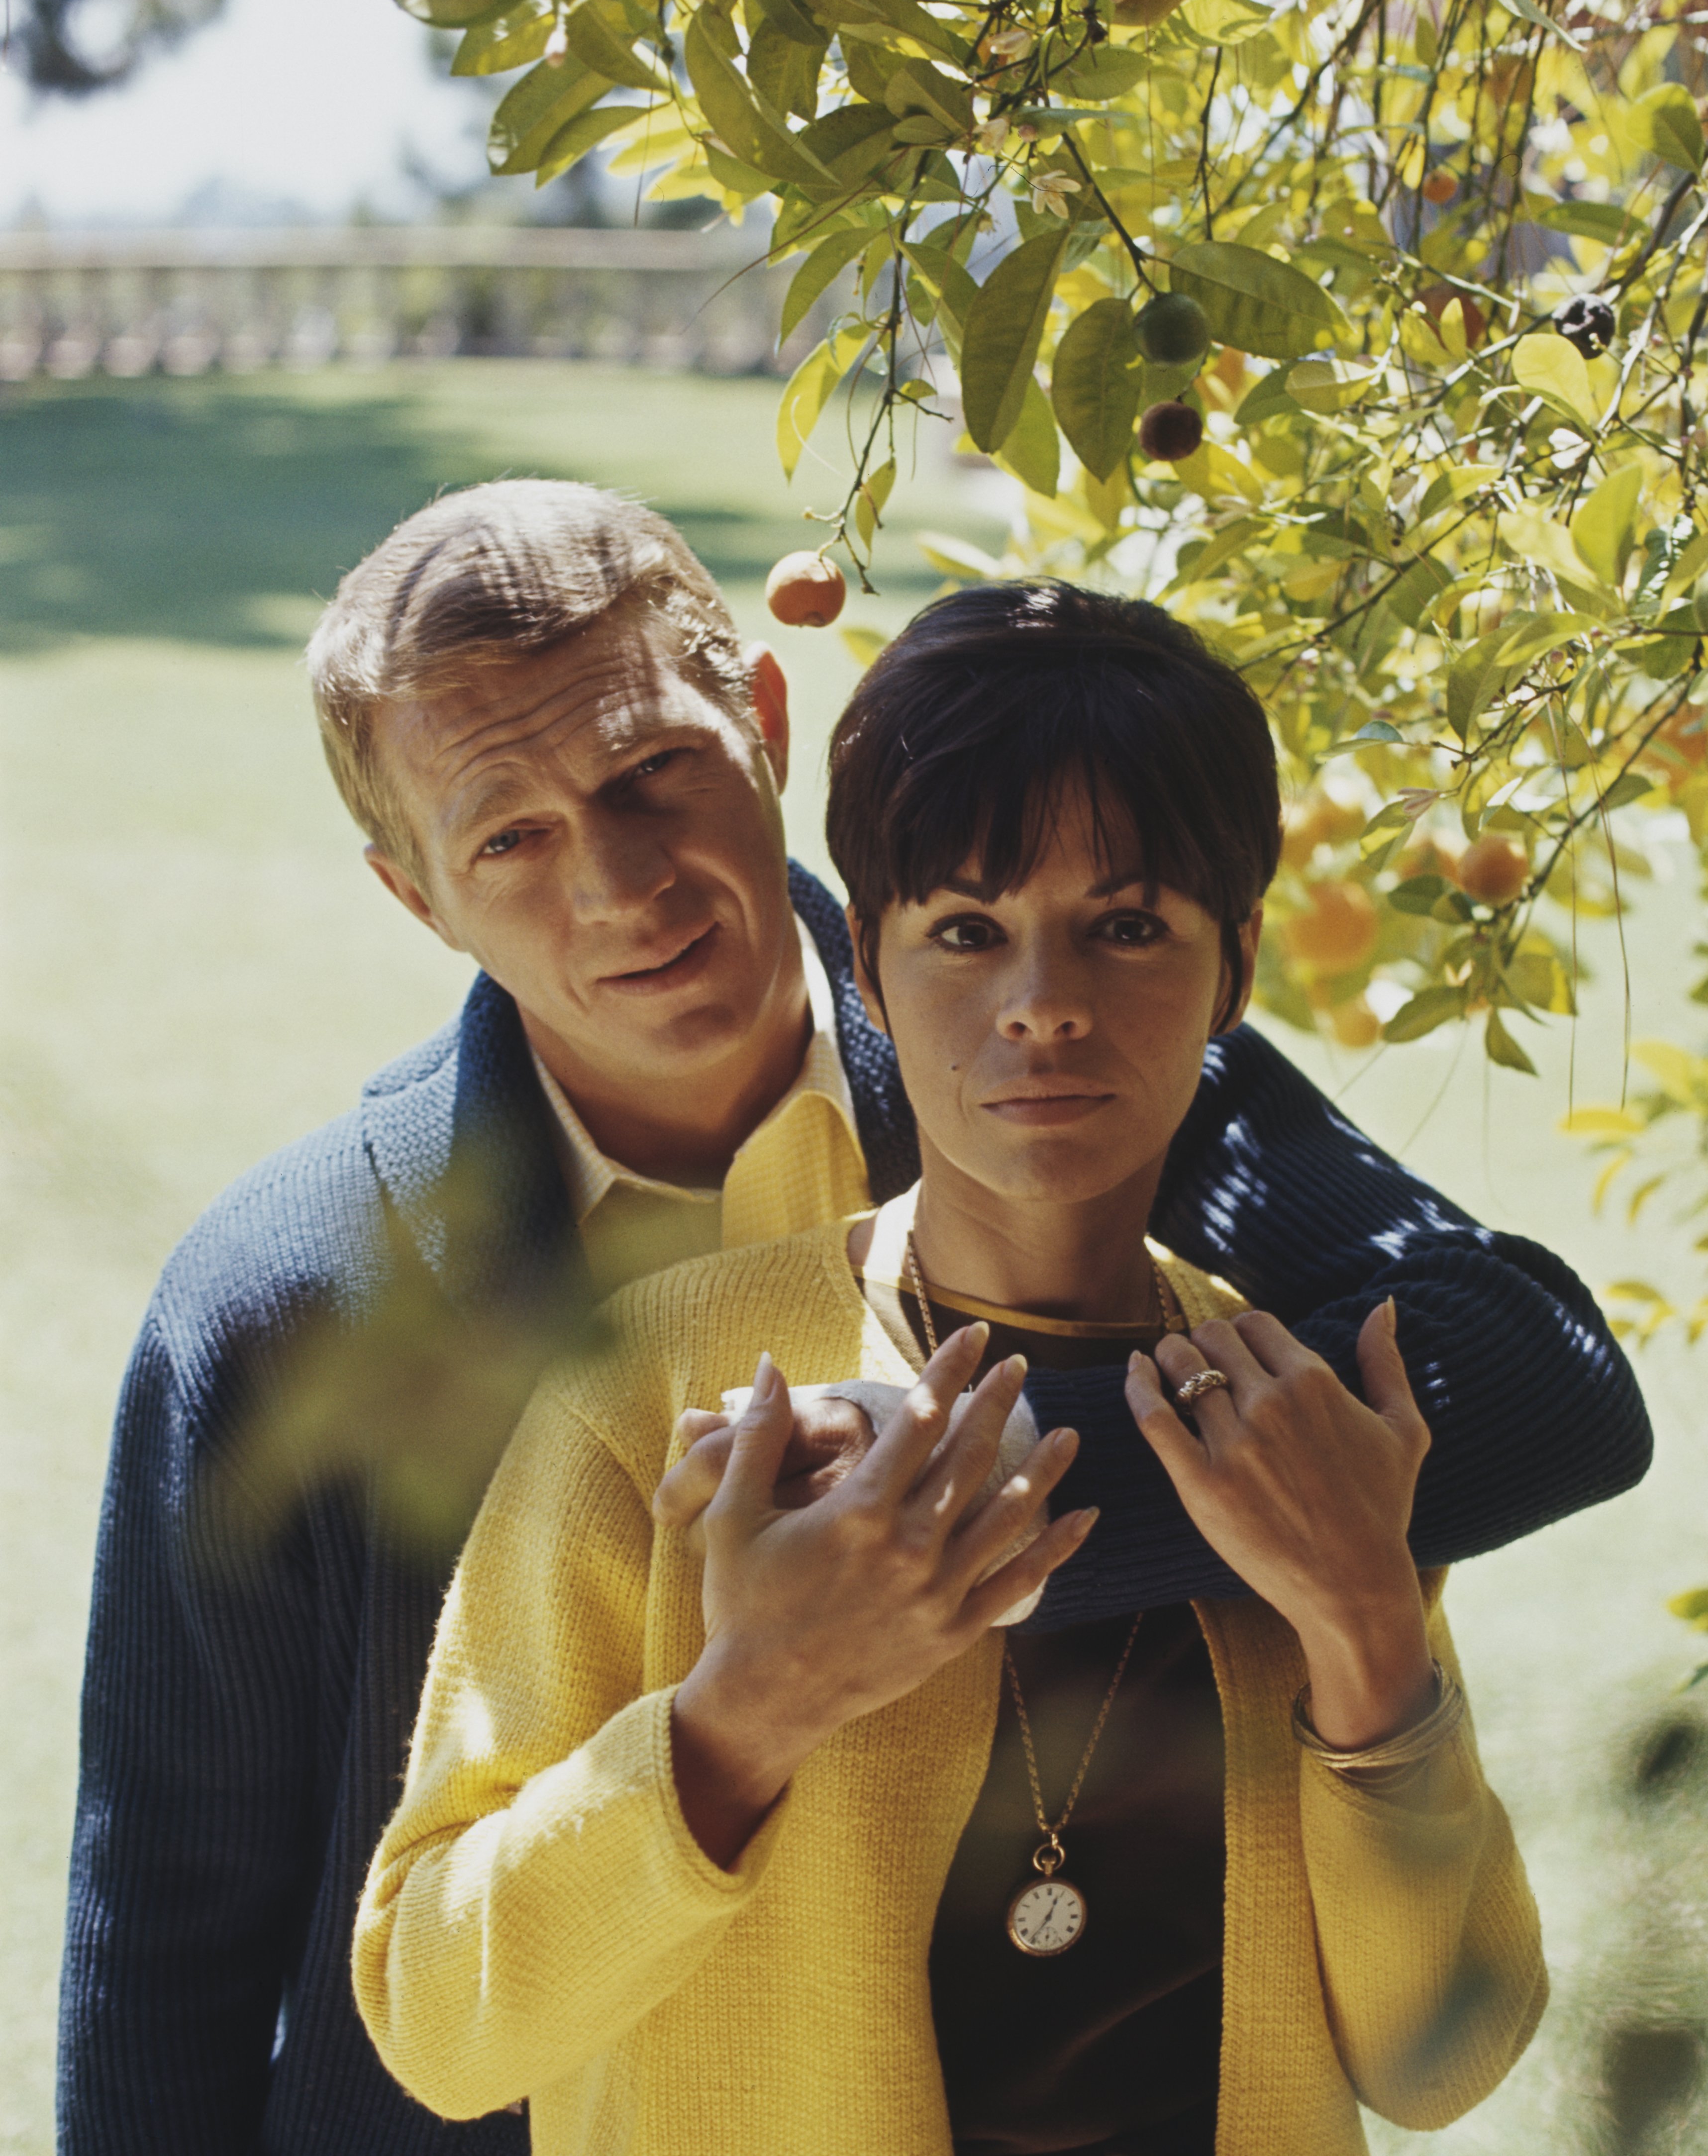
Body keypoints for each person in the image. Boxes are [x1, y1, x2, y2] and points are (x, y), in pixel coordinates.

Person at [60, 486, 1638, 2156]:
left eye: (649, 770)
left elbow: (1539, 1380)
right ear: (416, 896)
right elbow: (172, 1921)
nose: (618, 883)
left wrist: (1205, 1551)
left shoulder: (1053, 1050)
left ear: (759, 726)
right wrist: (771, 1678)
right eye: (507, 836)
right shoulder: (291, 1303)